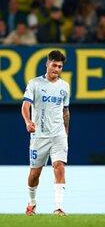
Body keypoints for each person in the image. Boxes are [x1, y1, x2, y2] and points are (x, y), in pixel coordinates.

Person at [22, 50, 70, 216]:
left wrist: (66, 132)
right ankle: (32, 202)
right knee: (35, 173)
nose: (56, 69)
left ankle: (58, 207)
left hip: (58, 135)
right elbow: (25, 106)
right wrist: (28, 121)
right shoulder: (35, 83)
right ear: (47, 64)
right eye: (54, 65)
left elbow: (65, 112)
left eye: (60, 66)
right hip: (39, 136)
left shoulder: (64, 87)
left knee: (59, 166)